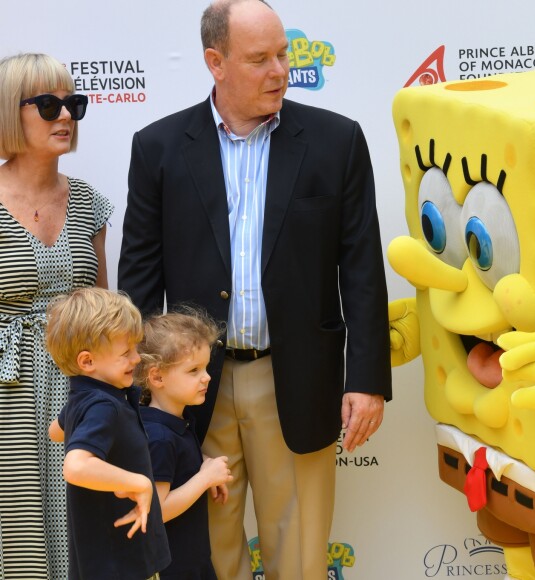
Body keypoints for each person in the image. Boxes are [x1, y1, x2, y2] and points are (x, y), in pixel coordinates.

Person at [118, 0, 391, 577]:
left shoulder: (335, 141)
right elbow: (139, 280)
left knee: (299, 553)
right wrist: (139, 388)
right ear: (215, 62)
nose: (279, 71)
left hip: (295, 378)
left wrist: (366, 381)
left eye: (283, 54)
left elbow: (361, 269)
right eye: (260, 58)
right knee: (208, 552)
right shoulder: (158, 148)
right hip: (190, 386)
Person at [0, 52, 113, 579]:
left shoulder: (89, 203)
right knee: (15, 530)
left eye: (73, 104)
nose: (65, 116)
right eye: (48, 105)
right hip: (8, 391)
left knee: (81, 528)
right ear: (9, 111)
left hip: (77, 394)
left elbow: (105, 316)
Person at [45, 287, 171, 580]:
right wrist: (138, 483)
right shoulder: (103, 406)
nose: (137, 358)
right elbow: (75, 467)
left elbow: (56, 431)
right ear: (87, 362)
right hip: (120, 563)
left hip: (109, 558)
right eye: (126, 352)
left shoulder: (86, 400)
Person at [134, 309, 234, 579]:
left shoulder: (177, 423)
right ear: (156, 377)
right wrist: (204, 479)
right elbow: (157, 512)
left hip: (192, 562)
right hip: (172, 569)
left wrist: (205, 464)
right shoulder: (158, 437)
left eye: (205, 367)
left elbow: (179, 464)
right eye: (193, 371)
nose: (207, 377)